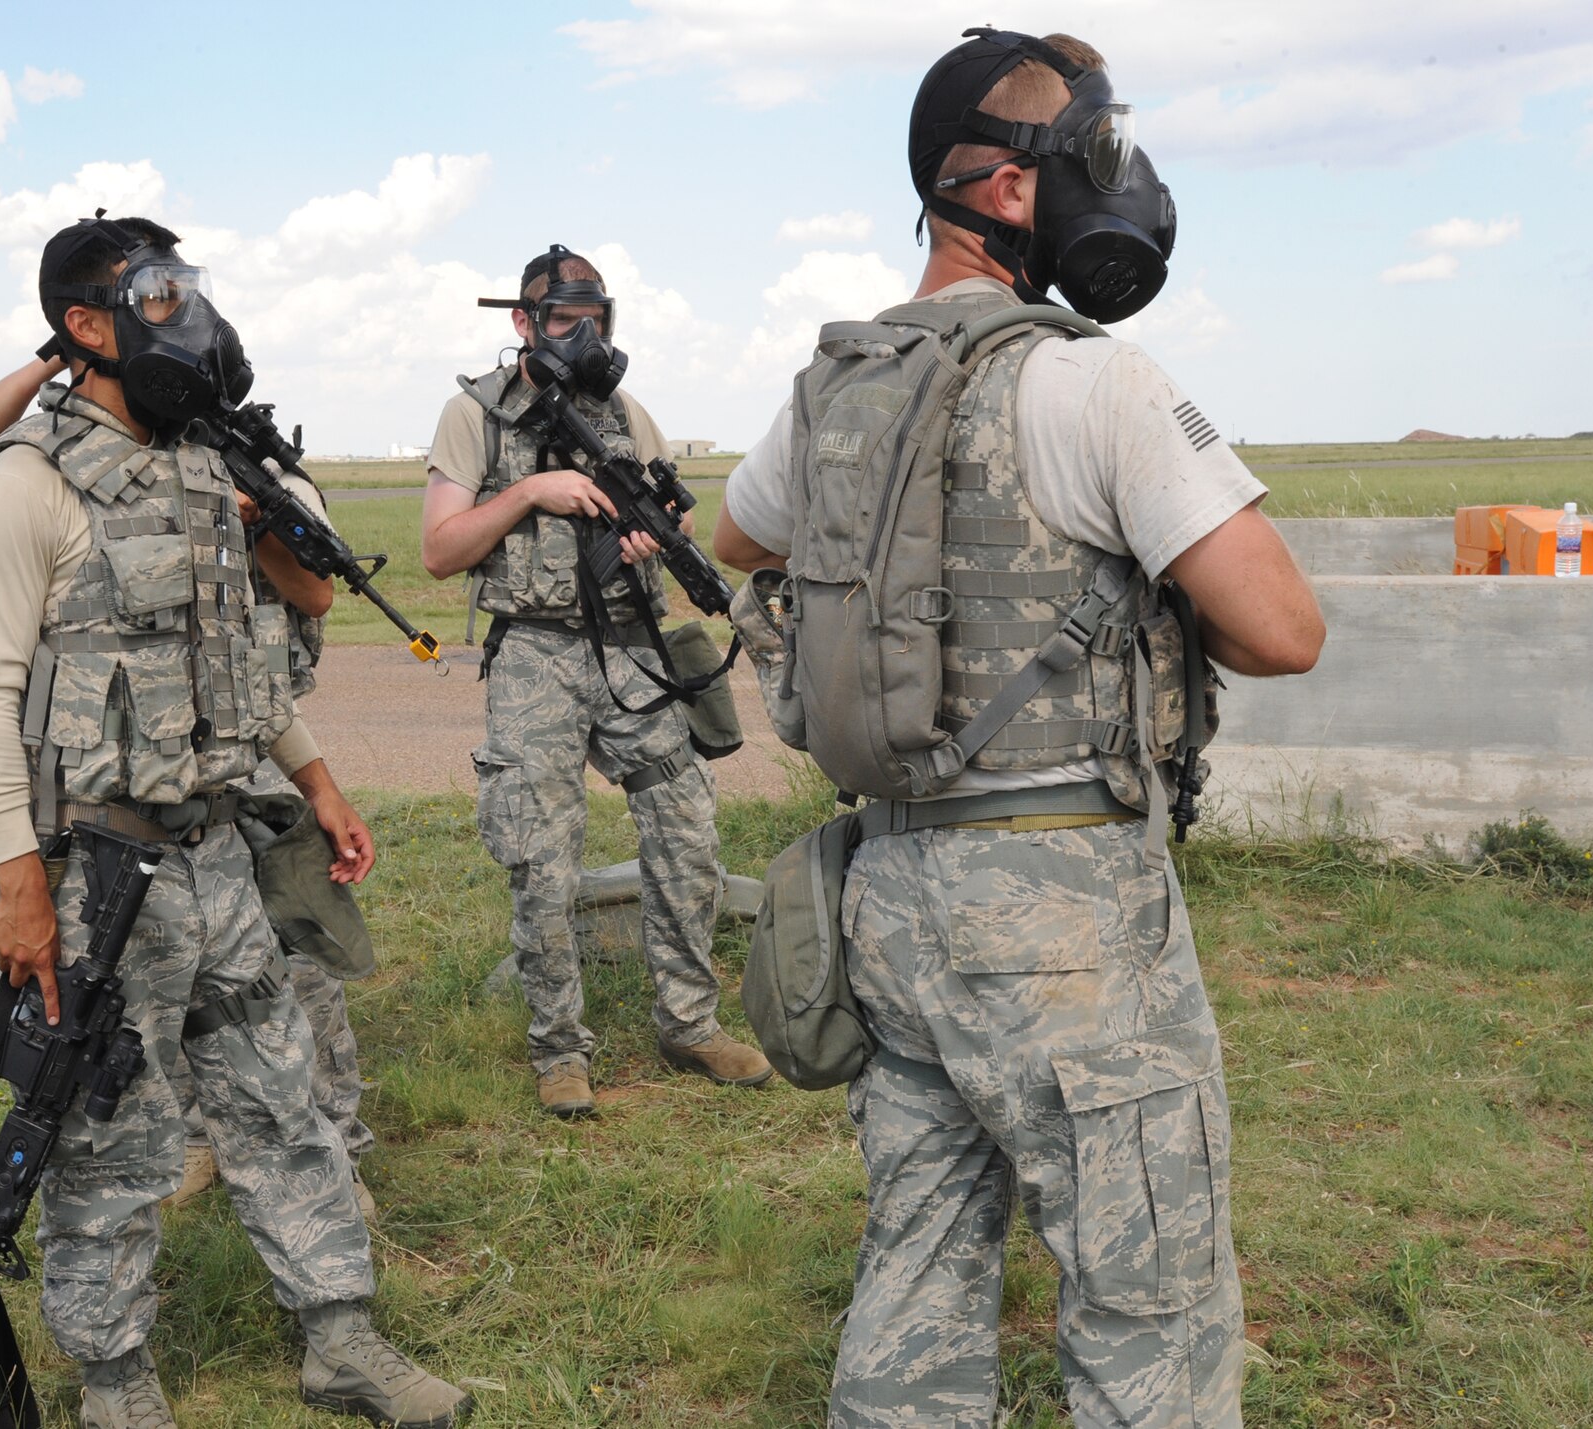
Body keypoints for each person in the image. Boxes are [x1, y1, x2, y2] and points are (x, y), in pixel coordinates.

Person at [714, 29, 1326, 1429]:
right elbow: (1281, 630)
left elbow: (738, 536)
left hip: (888, 890)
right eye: (1090, 151)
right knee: (1150, 1297)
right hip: (1063, 917)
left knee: (919, 1260)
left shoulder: (834, 387)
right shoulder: (1096, 380)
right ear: (1003, 188)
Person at [0, 212, 468, 1428]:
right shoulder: (25, 484)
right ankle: (116, 1386)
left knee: (283, 1103)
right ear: (85, 324)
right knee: (112, 1143)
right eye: (156, 294)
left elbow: (232, 669)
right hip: (99, 873)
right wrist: (18, 882)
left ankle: (341, 1340)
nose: (185, 313)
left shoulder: (199, 468)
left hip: (219, 853)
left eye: (186, 288)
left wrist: (317, 780)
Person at [0, 358, 381, 1223]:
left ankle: (335, 1145)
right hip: (135, 778)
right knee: (145, 993)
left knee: (291, 971)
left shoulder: (252, 476)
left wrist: (248, 522)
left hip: (247, 751)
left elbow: (308, 601)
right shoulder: (82, 474)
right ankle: (189, 1141)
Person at [420, 244, 771, 1117]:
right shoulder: (474, 415)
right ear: (524, 321)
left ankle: (689, 1023)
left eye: (597, 318)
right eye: (565, 319)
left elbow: (670, 510)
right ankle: (559, 1050)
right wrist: (530, 492)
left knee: (686, 828)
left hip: (630, 647)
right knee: (542, 856)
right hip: (534, 653)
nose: (585, 335)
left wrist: (650, 535)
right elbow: (439, 550)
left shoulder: (623, 411)